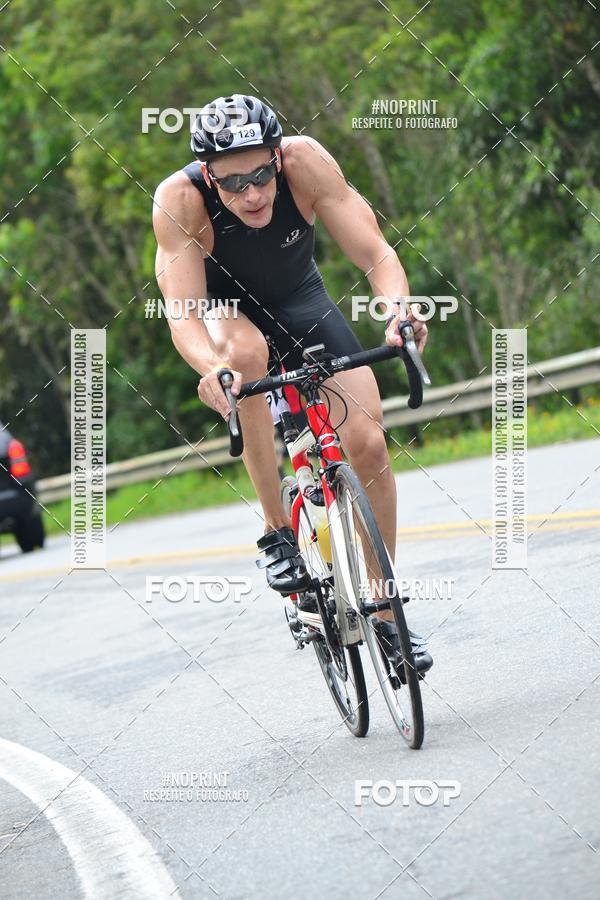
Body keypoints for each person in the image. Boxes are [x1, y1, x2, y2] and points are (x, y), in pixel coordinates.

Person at [153, 93, 432, 676]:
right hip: (231, 314)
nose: (252, 194)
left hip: (302, 302)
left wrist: (398, 311)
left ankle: (385, 614)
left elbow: (376, 253)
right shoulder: (178, 200)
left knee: (371, 446)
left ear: (277, 158)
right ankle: (277, 531)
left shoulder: (307, 162)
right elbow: (182, 312)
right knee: (247, 357)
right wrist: (211, 367)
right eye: (233, 184)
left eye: (261, 175)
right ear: (208, 176)